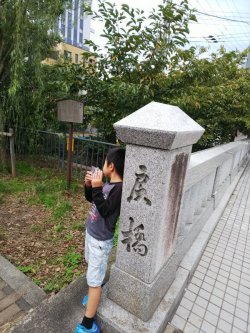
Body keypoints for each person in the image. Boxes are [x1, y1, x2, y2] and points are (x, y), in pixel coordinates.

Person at [74, 147, 126, 333]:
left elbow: (105, 209)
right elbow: (93, 200)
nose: (103, 165)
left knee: (94, 281)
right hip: (92, 234)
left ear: (111, 166)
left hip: (100, 241)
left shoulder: (119, 190)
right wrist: (89, 186)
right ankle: (94, 295)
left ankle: (87, 324)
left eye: (105, 162)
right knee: (93, 270)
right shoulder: (107, 184)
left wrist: (97, 187)